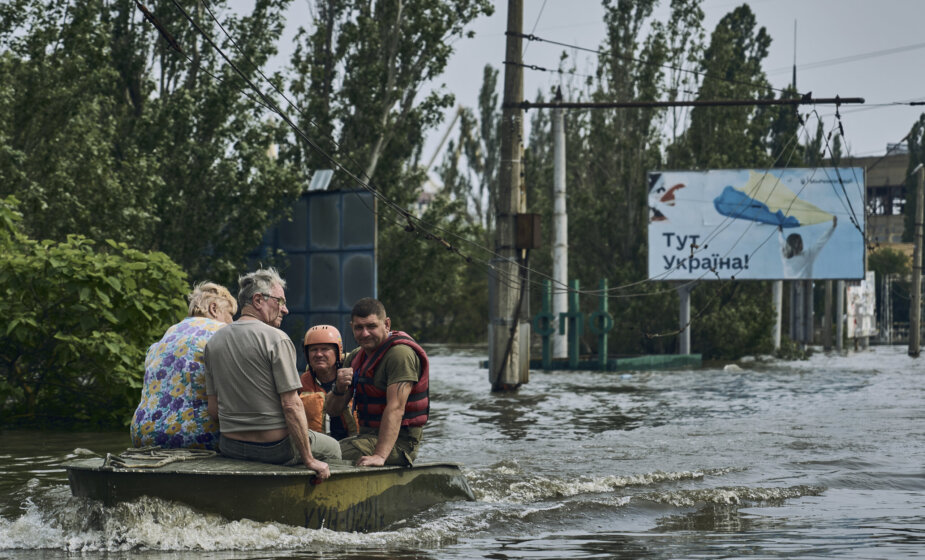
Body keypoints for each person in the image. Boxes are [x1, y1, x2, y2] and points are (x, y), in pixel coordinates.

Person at [203, 267, 340, 479]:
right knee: (333, 448)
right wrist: (309, 460)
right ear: (258, 300)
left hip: (230, 446)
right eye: (281, 301)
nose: (285, 310)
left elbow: (213, 410)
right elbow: (291, 405)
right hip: (275, 448)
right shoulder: (277, 339)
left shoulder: (213, 342)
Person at [130, 282, 237, 450]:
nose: (232, 321)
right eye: (230, 314)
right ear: (214, 309)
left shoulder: (170, 333)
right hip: (192, 435)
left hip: (143, 433)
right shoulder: (221, 331)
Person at [327, 298, 429, 466]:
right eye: (359, 327)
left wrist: (380, 456)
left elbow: (396, 408)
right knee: (317, 448)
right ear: (352, 327)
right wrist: (338, 388)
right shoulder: (355, 358)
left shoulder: (400, 355)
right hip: (366, 438)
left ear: (386, 324)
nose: (365, 333)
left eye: (371, 326)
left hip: (399, 445)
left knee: (328, 454)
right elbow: (333, 411)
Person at [300, 325, 359, 441]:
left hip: (354, 442)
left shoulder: (355, 375)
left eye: (325, 349)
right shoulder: (302, 383)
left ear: (338, 352)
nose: (318, 354)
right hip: (318, 446)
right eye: (313, 350)